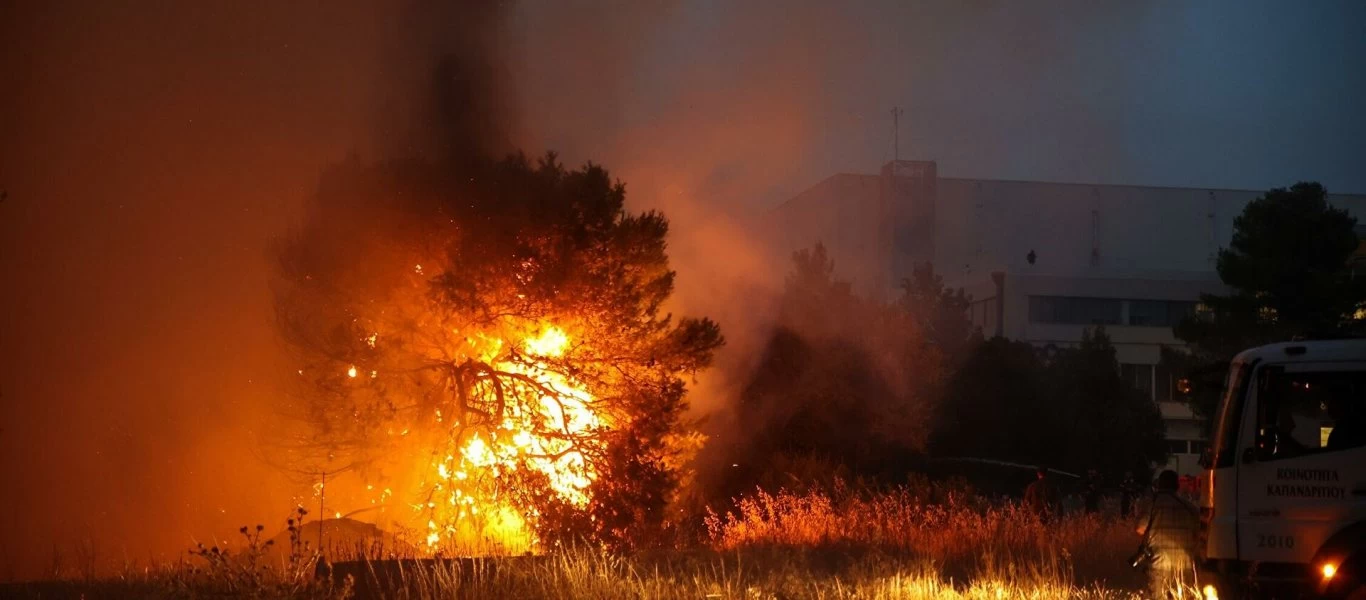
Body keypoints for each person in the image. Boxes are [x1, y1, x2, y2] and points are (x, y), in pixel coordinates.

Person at [1137, 470, 1200, 598]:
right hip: (1185, 562)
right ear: (1177, 485)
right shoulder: (1189, 506)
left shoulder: (1153, 504)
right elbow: (1199, 531)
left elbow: (1139, 528)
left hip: (1159, 561)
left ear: (1159, 485)